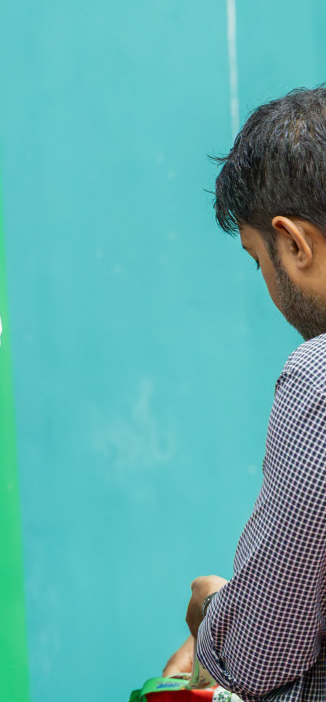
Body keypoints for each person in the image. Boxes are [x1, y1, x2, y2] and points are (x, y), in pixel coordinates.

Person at [160, 86, 326, 700]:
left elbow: (259, 651)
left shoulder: (319, 376)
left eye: (259, 259)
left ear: (295, 244)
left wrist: (216, 615)